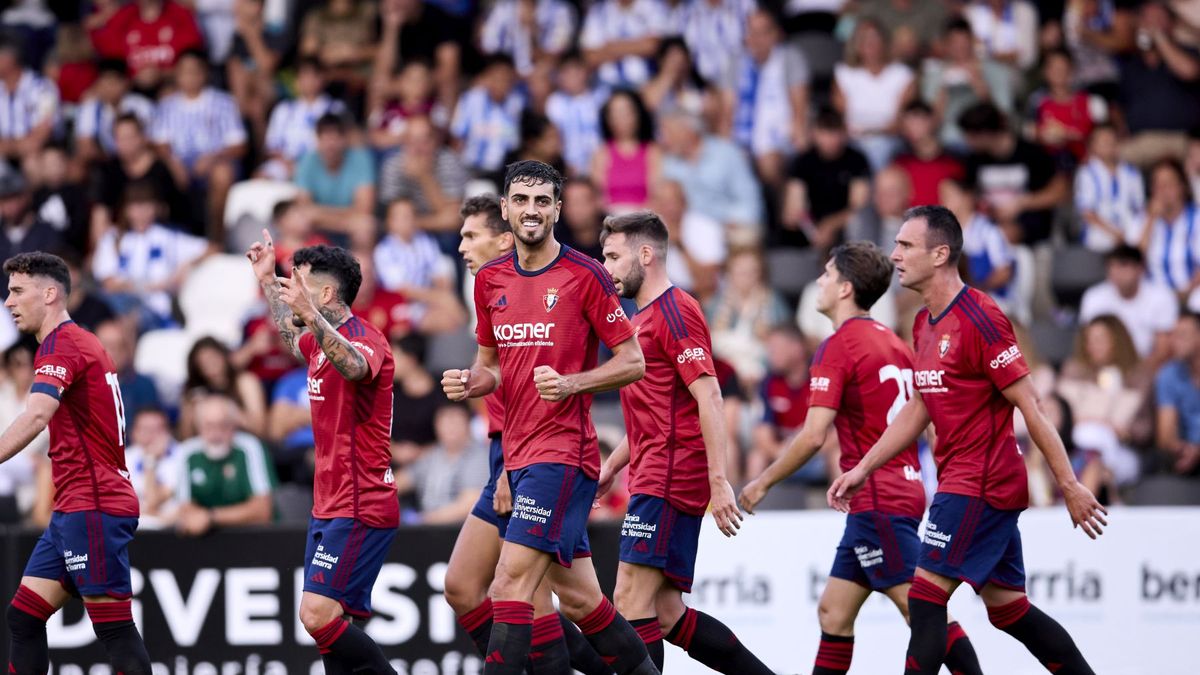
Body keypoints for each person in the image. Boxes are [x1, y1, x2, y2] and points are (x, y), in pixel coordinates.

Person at [828, 205, 1107, 675]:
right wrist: (863, 467)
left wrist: (1070, 484)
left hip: (981, 482)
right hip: (964, 480)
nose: (894, 255)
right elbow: (920, 407)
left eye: (906, 245)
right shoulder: (923, 322)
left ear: (940, 254)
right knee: (1008, 610)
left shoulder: (981, 317)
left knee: (925, 597)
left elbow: (1031, 404)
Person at [441, 160, 658, 675]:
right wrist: (470, 382)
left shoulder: (586, 275)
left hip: (564, 454)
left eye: (542, 201)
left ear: (558, 210)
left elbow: (633, 362)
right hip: (515, 457)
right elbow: (491, 367)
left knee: (510, 585)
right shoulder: (490, 279)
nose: (531, 211)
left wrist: (573, 383)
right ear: (506, 209)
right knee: (581, 601)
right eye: (521, 200)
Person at [739, 242, 984, 675]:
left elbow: (814, 437)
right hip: (896, 491)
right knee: (834, 612)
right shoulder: (894, 342)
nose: (819, 281)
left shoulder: (838, 347)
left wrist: (762, 482)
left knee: (924, 612)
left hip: (876, 499)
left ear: (846, 288)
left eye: (828, 274)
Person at [598, 211, 774, 674]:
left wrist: (720, 482)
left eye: (614, 256)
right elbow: (658, 413)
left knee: (629, 598)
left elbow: (709, 395)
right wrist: (614, 465)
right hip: (655, 466)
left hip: (671, 473)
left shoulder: (676, 311)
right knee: (667, 614)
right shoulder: (642, 319)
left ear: (646, 254)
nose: (607, 268)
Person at [246, 237, 399, 673]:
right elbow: (295, 342)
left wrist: (309, 316)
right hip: (329, 504)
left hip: (360, 502)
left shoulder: (367, 340)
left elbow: (354, 366)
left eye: (299, 283)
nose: (291, 288)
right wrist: (266, 284)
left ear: (327, 294)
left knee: (315, 616)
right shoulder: (318, 341)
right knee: (334, 631)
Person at [0, 251, 152, 675]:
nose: (8, 302)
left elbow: (36, 414)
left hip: (94, 503)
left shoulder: (62, 344)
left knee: (115, 630)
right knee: (24, 617)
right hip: (74, 506)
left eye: (17, 291)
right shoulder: (77, 341)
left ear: (49, 294)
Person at [174, 394, 275, 537]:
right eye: (209, 425)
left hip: (253, 536)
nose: (216, 433)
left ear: (234, 425)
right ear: (198, 426)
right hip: (205, 541)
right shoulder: (186, 453)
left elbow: (263, 511)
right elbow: (185, 510)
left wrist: (211, 517)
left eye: (223, 425)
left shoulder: (250, 448)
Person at [1080, 245, 1178, 364]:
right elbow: (1086, 341)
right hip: (1102, 364)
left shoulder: (1161, 297)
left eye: (1123, 265)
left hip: (1146, 365)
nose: (1115, 272)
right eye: (1111, 266)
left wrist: (1141, 372)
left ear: (1140, 268)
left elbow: (1163, 349)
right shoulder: (1093, 297)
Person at [1074, 124, 1145, 253]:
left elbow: (1139, 208)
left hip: (1128, 231)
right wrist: (1114, 233)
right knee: (1097, 238)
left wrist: (1125, 233)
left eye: (1112, 140)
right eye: (1103, 141)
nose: (1109, 144)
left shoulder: (1132, 172)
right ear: (1092, 146)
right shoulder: (1086, 173)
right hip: (1100, 232)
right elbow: (1087, 213)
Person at [1154, 312, 1200, 477]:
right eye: (1173, 335)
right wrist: (1183, 448)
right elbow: (1165, 436)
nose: (1174, 342)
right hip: (1184, 454)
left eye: (1182, 335)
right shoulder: (1168, 374)